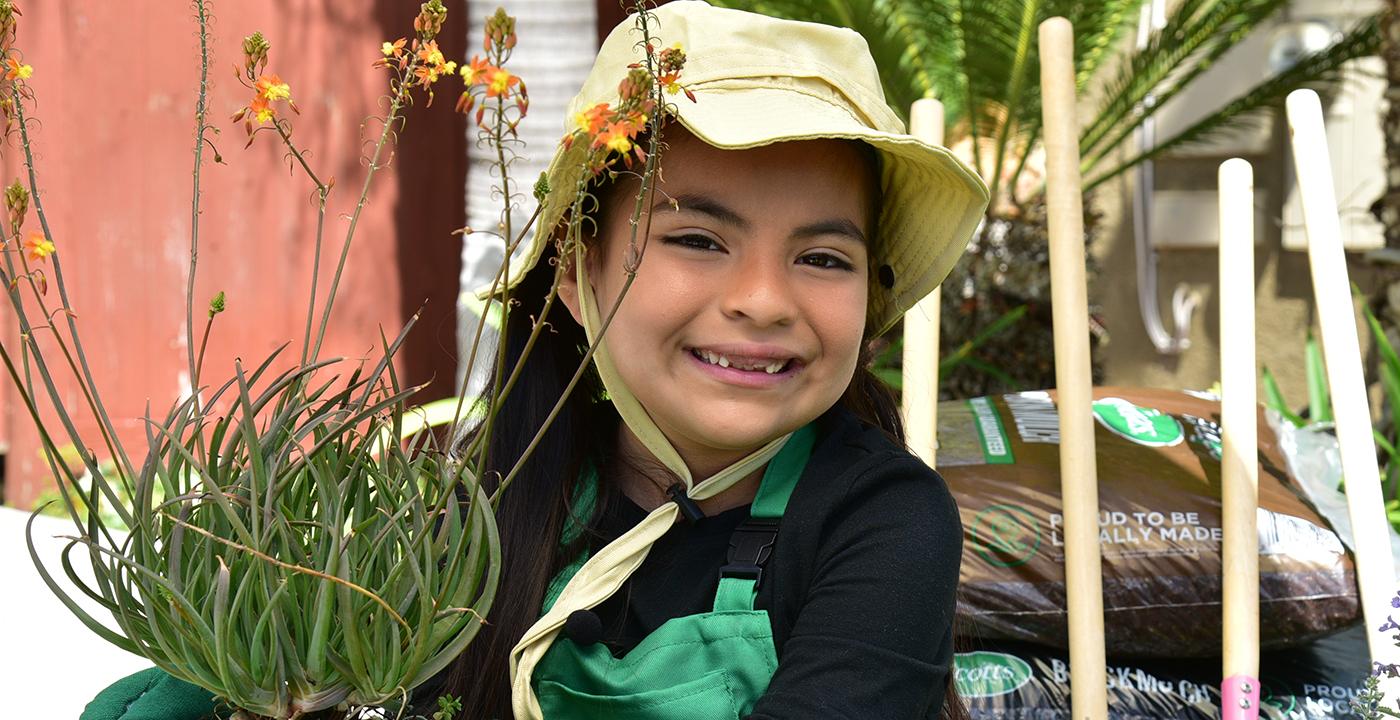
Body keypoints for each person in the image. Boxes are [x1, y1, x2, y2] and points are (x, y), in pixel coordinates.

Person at [82, 3, 988, 718]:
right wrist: (236, 658)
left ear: (873, 301)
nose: (763, 299)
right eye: (699, 239)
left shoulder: (884, 524)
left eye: (823, 258)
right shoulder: (459, 500)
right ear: (573, 271)